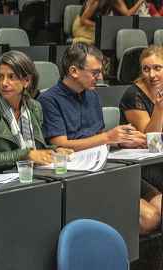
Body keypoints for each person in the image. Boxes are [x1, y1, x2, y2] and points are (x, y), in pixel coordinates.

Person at [38, 43, 158, 234]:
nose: (100, 77)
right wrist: (108, 137)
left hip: (105, 167)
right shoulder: (49, 100)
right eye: (94, 72)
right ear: (74, 71)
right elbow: (59, 144)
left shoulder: (92, 95)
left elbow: (98, 139)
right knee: (149, 218)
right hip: (78, 177)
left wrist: (121, 140)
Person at [0, 50, 72, 173]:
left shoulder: (35, 107)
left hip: (30, 173)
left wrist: (55, 150)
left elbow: (38, 147)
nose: (4, 83)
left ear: (26, 81)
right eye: (0, 77)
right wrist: (25, 155)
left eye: (11, 77)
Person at [119, 45, 163, 233]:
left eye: (157, 68)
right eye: (146, 69)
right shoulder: (133, 94)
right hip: (146, 167)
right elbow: (150, 138)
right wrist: (159, 109)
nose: (151, 74)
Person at [72, 0, 145, 44]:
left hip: (98, 26)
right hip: (83, 26)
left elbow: (127, 14)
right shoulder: (95, 1)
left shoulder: (115, 1)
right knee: (104, 40)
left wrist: (139, 2)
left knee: (113, 37)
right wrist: (102, 26)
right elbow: (83, 20)